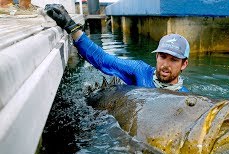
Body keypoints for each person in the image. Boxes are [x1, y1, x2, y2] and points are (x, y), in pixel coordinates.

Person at [45, 4, 190, 92]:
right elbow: (103, 60)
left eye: (174, 60)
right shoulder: (140, 71)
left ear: (184, 64)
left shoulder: (185, 98)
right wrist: (71, 26)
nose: (165, 65)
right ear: (157, 56)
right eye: (163, 57)